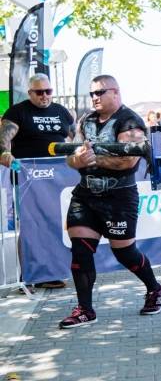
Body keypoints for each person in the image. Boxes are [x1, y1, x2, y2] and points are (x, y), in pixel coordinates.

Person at [59, 74, 161, 329]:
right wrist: (77, 160)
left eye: (100, 92)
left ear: (115, 93)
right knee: (80, 250)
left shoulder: (129, 121)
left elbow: (128, 161)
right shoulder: (86, 120)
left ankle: (155, 288)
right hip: (85, 195)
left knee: (124, 253)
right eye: (92, 94)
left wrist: (93, 158)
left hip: (119, 197)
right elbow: (70, 156)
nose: (95, 98)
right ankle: (85, 309)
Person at [0, 72, 74, 290]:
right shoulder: (18, 112)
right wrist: (5, 153)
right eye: (39, 92)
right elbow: (3, 140)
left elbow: (75, 139)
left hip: (58, 178)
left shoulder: (61, 111)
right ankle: (30, 274)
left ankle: (51, 271)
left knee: (57, 223)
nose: (44, 96)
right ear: (30, 93)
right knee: (31, 225)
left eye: (48, 91)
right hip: (29, 179)